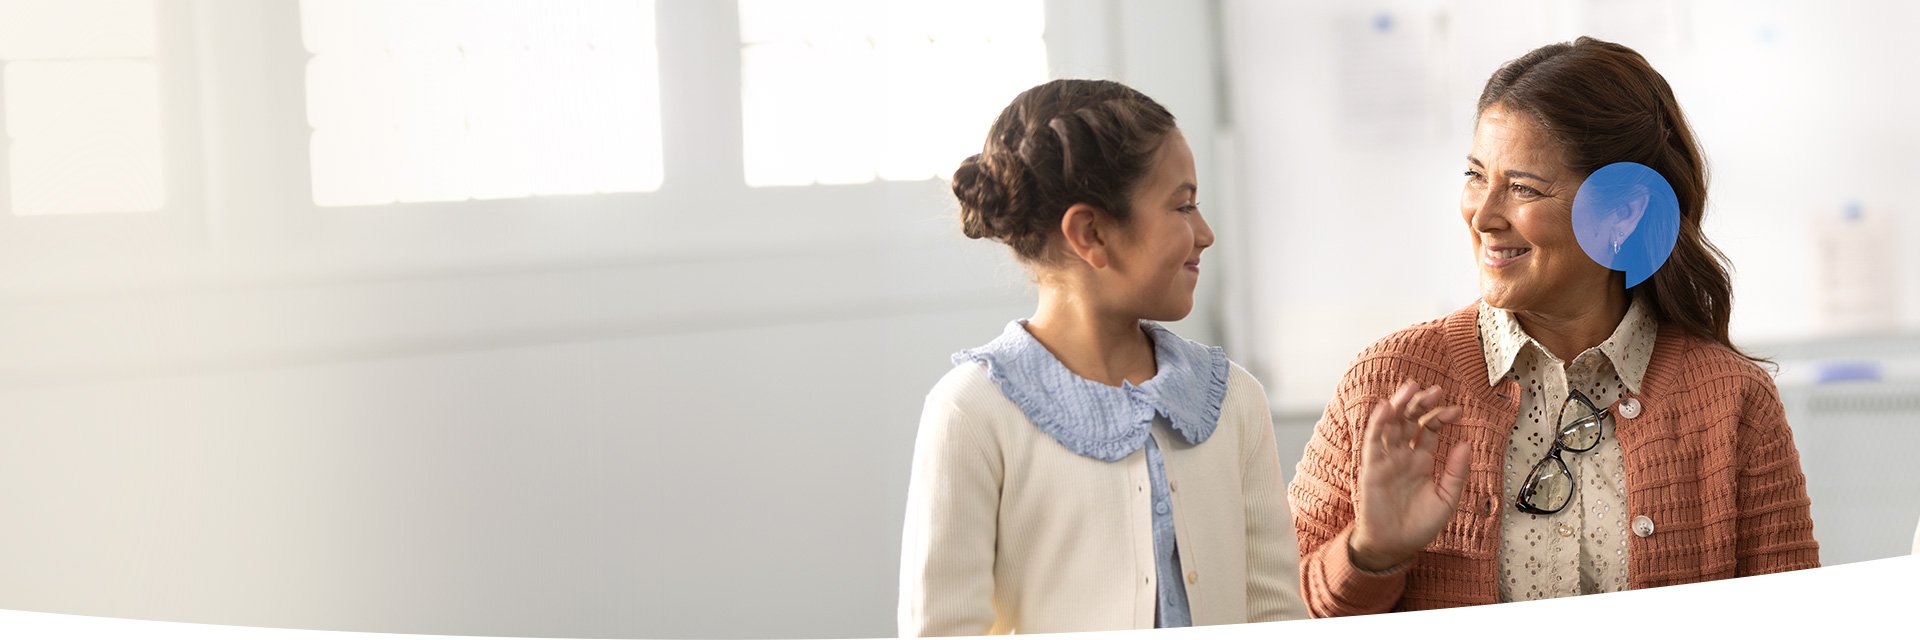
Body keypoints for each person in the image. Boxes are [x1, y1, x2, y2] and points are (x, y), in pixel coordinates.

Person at [1287, 37, 1820, 616]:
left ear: (1622, 211)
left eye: (1522, 188)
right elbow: (1271, 610)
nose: (1483, 215)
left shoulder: (1731, 399)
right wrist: (1370, 554)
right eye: (1474, 176)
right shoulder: (1388, 381)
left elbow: (1796, 619)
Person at [898, 79, 1306, 635]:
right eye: (1182, 206)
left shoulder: (1233, 399)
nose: (1205, 233)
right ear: (1090, 233)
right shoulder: (971, 413)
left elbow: (1274, 616)